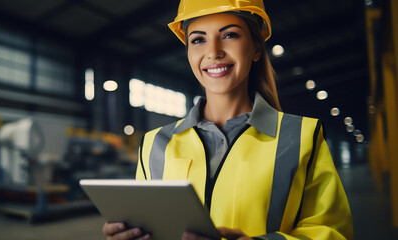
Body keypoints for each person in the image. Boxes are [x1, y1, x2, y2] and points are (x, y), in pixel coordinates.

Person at [102, 0, 353, 239]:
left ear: (255, 48)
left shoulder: (302, 136)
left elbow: (333, 231)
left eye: (229, 35)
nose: (213, 52)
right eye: (198, 39)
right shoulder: (154, 144)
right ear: (188, 53)